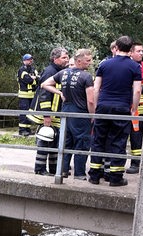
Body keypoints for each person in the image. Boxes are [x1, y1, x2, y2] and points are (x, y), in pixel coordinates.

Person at [88, 36, 142, 187]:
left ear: (116, 47)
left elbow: (96, 88)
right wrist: (134, 108)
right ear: (131, 50)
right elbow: (137, 91)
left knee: (99, 140)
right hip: (121, 107)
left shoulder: (104, 65)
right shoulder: (134, 67)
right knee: (118, 141)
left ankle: (94, 175)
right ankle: (115, 178)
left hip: (103, 106)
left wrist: (97, 107)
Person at [40, 48, 96, 180]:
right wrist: (92, 116)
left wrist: (60, 93)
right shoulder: (86, 76)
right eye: (87, 60)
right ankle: (79, 174)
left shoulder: (63, 73)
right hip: (80, 114)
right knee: (81, 143)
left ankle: (63, 171)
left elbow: (45, 84)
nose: (90, 63)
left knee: (65, 143)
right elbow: (91, 100)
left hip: (65, 113)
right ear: (79, 61)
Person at [28, 47, 69, 175]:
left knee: (54, 143)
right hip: (47, 115)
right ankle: (40, 169)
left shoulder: (60, 71)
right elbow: (44, 94)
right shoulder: (49, 72)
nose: (67, 59)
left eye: (67, 57)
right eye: (63, 57)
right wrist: (47, 115)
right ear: (55, 59)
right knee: (46, 139)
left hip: (55, 114)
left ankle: (53, 169)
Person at [127, 41, 143, 174]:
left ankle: (136, 164)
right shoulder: (126, 66)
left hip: (141, 110)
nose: (141, 53)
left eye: (142, 51)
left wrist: (139, 88)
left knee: (137, 137)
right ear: (131, 52)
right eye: (138, 51)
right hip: (125, 108)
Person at [16, 54, 38, 136]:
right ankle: (22, 130)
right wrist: (33, 78)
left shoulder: (33, 69)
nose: (30, 61)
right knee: (24, 113)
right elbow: (27, 80)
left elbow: (38, 79)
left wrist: (34, 78)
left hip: (32, 95)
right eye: (29, 59)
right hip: (24, 95)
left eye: (31, 59)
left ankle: (28, 129)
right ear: (24, 61)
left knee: (30, 113)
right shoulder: (21, 70)